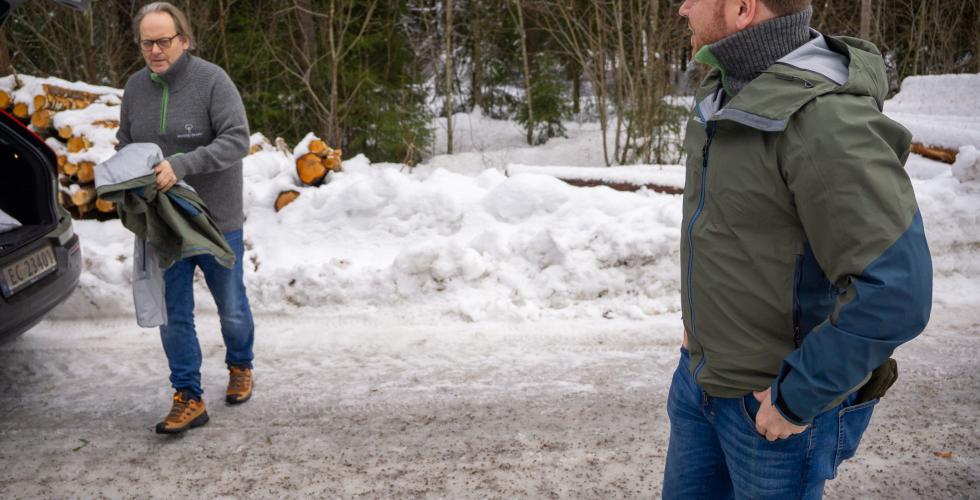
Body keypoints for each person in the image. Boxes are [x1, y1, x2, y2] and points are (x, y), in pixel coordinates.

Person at [663, 0, 932, 498]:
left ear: (742, 8)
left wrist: (795, 397)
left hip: (770, 411)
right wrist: (701, 330)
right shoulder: (723, 90)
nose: (682, 8)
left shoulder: (825, 120)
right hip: (698, 382)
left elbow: (897, 292)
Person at [116, 2, 254, 434]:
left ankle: (240, 364)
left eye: (164, 41)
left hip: (216, 220)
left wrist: (183, 164)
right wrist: (122, 175)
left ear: (185, 40)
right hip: (163, 223)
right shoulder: (135, 88)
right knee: (174, 313)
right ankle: (188, 396)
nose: (155, 50)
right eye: (147, 42)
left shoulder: (213, 81)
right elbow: (125, 142)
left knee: (230, 307)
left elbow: (237, 140)